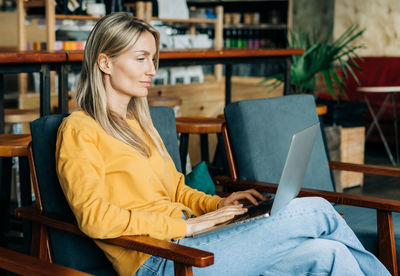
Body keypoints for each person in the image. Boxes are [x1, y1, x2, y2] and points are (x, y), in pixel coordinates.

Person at [55, 12, 390, 276]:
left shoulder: (142, 125)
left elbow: (176, 190)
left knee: (328, 255)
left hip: (193, 243)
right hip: (159, 262)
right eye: (141, 58)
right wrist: (185, 225)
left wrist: (217, 206)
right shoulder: (79, 130)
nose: (152, 70)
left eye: (154, 59)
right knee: (315, 209)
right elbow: (94, 218)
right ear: (105, 63)